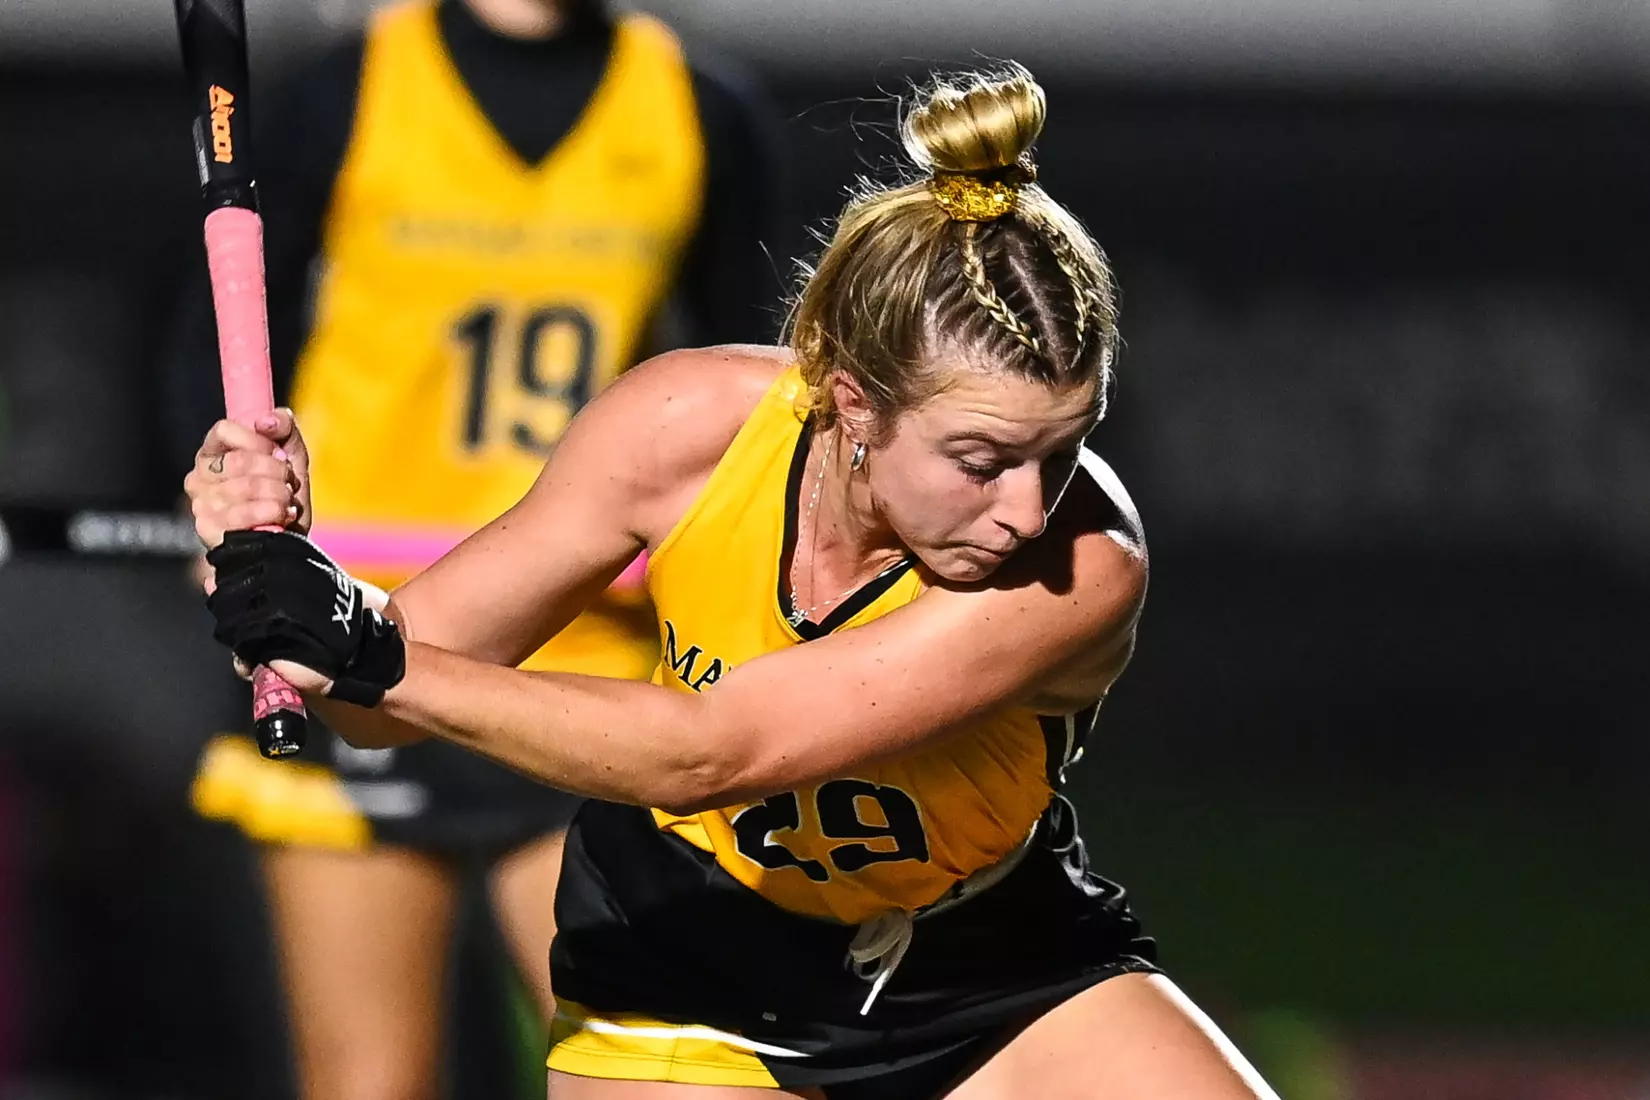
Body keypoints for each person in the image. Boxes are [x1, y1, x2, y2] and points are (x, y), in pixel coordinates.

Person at [186, 65, 1279, 1100]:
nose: (1027, 509)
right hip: (697, 971)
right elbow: (381, 717)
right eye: (984, 460)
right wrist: (291, 589)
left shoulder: (1084, 563)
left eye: (1065, 450)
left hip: (990, 958)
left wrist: (360, 645)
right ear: (853, 402)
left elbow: (717, 750)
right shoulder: (680, 430)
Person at [165, 0, 780, 1097]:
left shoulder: (700, 106)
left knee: (663, 1069)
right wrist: (223, 512)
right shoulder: (348, 88)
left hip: (581, 650)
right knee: (370, 1079)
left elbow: (758, 391)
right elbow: (196, 346)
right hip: (357, 621)